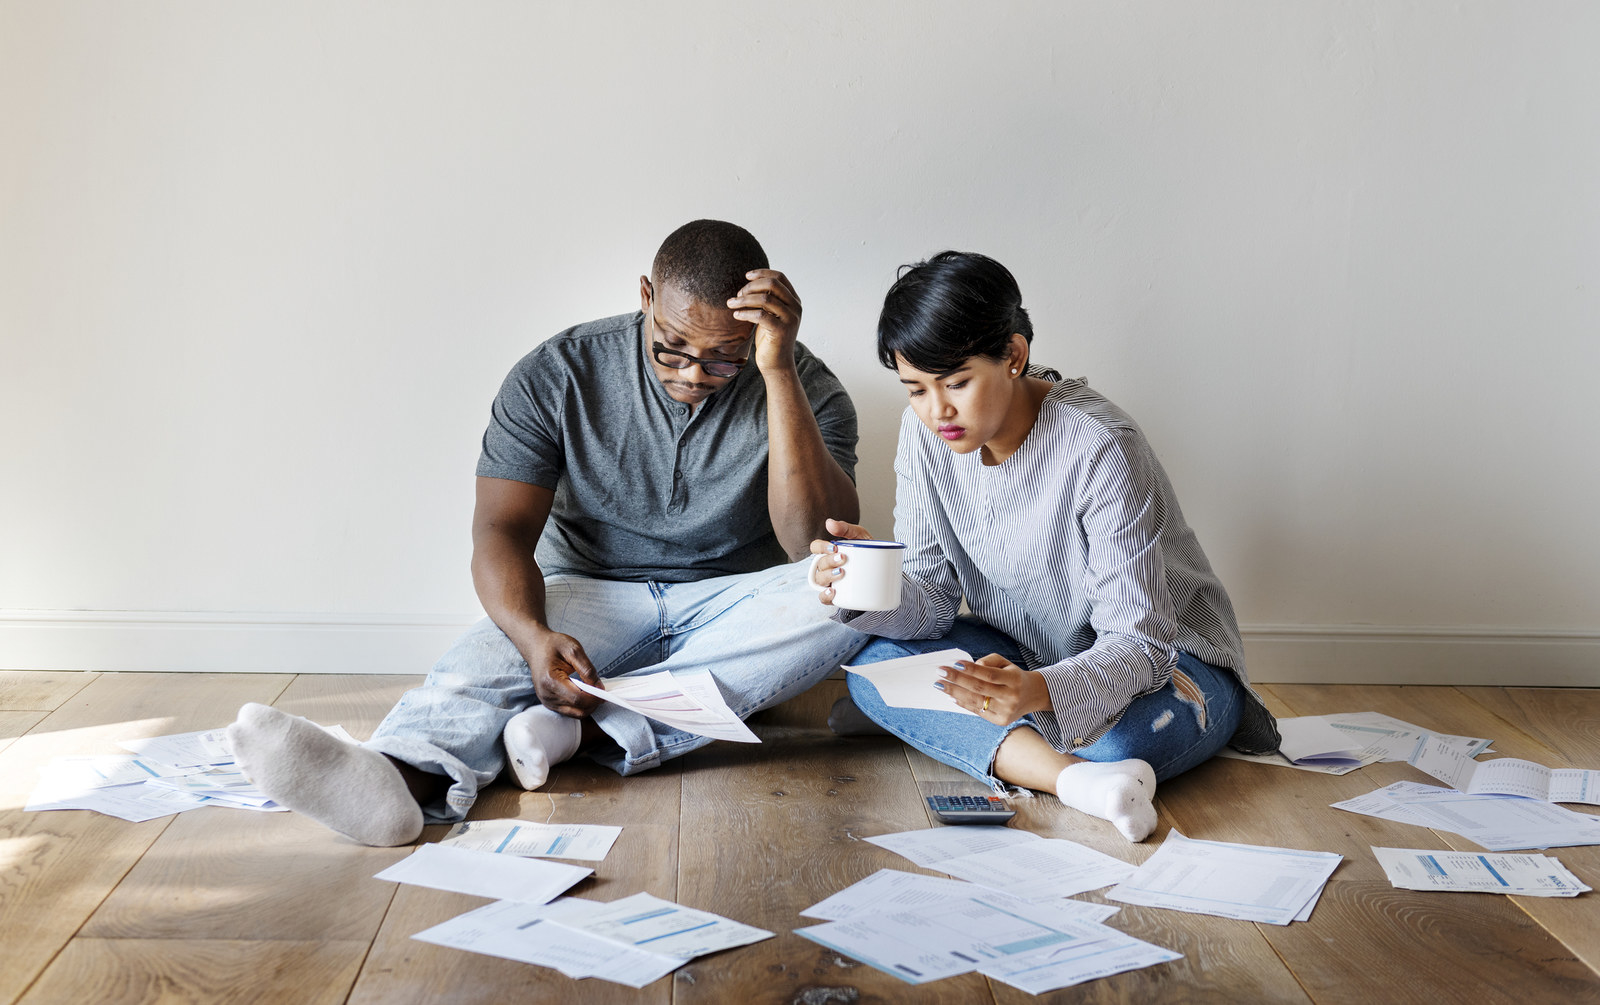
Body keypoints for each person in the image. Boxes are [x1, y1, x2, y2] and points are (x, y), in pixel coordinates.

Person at [229, 220, 867, 846]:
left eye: (724, 359)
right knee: (483, 661)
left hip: (733, 603)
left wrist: (775, 373)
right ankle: (392, 777)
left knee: (848, 596)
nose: (694, 375)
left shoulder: (806, 386)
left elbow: (811, 542)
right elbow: (499, 531)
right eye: (671, 346)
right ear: (645, 297)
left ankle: (587, 732)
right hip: (589, 592)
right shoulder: (559, 372)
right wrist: (533, 636)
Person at [811, 251, 1280, 842]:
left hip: (1170, 665)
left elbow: (1140, 641)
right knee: (873, 664)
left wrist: (1038, 691)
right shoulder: (923, 433)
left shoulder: (1101, 446)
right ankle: (1077, 781)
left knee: (1118, 741)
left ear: (1013, 355)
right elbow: (931, 601)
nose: (938, 412)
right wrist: (856, 583)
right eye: (915, 390)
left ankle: (976, 737)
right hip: (1029, 653)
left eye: (956, 383)